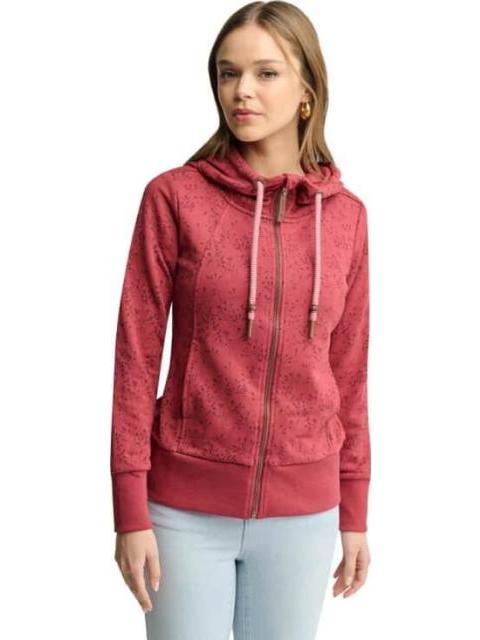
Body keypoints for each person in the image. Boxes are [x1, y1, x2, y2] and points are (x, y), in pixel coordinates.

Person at [110, 2, 372, 638]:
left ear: (307, 90)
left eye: (266, 73)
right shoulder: (175, 197)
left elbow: (351, 369)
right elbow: (136, 356)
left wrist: (355, 508)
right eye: (228, 73)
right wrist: (129, 508)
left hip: (305, 513)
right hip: (182, 510)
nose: (242, 90)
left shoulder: (346, 217)